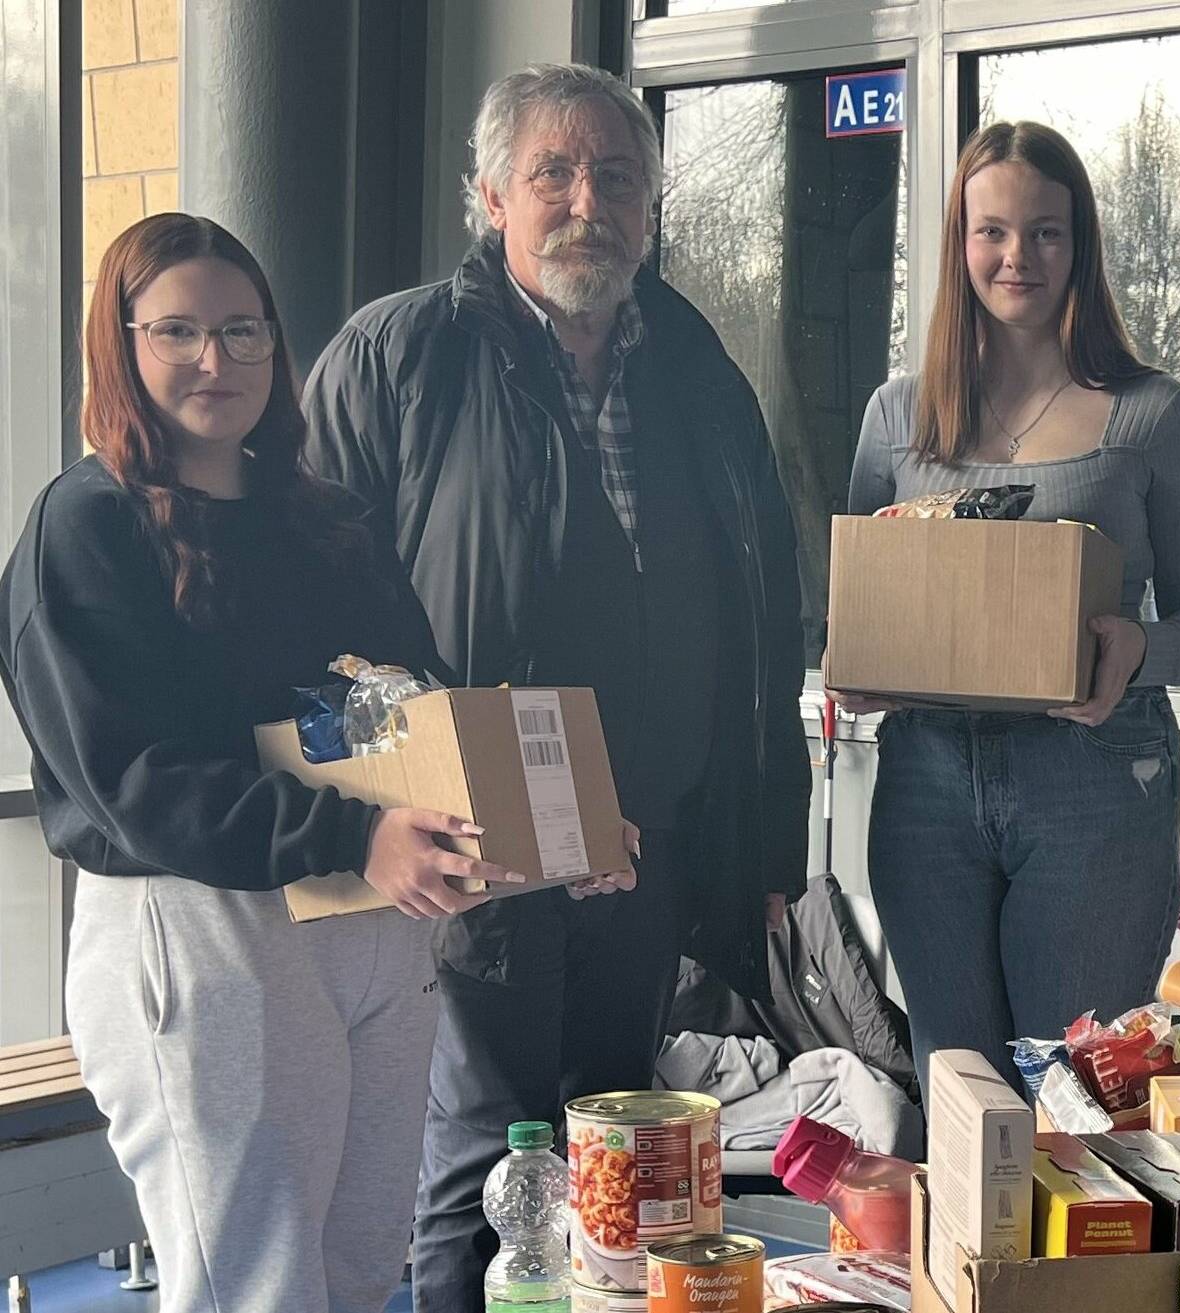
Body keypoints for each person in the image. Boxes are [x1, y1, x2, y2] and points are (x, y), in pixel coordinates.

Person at [300, 62, 810, 1309]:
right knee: (482, 1163)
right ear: (491, 195)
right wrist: (378, 815)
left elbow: (759, 624)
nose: (588, 199)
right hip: (478, 846)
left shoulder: (697, 369)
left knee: (615, 1158)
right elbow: (314, 617)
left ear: (651, 206)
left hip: (648, 849)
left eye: (619, 176)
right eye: (553, 172)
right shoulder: (397, 355)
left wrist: (764, 841)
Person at [0, 213, 537, 1312]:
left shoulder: (324, 516)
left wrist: (546, 812)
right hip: (202, 922)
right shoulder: (85, 527)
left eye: (243, 331)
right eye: (180, 332)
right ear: (121, 341)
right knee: (254, 1280)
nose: (217, 361)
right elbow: (139, 780)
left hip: (371, 915)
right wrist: (353, 834)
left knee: (354, 1263)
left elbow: (411, 698)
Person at [833, 121, 1180, 1088]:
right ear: (960, 245)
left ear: (1079, 243)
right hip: (925, 784)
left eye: (1047, 232)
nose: (1018, 257)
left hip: (1096, 780)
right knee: (956, 1094)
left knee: (1076, 1099)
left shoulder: (1151, 415)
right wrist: (866, 669)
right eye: (992, 231)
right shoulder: (898, 416)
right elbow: (859, 605)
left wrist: (1133, 648)